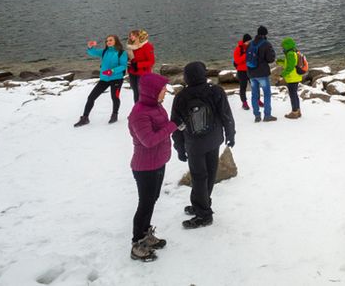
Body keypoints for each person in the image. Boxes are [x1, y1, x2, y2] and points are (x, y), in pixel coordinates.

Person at [171, 61, 236, 229]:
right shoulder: (215, 91)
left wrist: (179, 148)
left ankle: (203, 214)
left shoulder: (181, 97)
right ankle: (203, 203)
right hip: (213, 140)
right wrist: (230, 134)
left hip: (194, 144)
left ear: (186, 77)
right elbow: (226, 115)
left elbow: (176, 125)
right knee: (209, 173)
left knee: (199, 176)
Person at [128, 72, 178, 262]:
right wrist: (173, 126)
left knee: (152, 199)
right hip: (145, 166)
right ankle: (136, 244)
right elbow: (149, 140)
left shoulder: (156, 106)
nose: (165, 92)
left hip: (158, 162)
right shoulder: (139, 113)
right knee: (145, 203)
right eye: (162, 90)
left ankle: (145, 234)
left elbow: (161, 129)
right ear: (152, 92)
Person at [75, 35, 128, 127]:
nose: (108, 42)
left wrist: (112, 71)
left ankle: (114, 115)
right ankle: (85, 118)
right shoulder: (104, 52)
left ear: (116, 41)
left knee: (114, 97)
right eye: (107, 41)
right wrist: (90, 47)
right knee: (91, 97)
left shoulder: (121, 53)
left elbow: (123, 66)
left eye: (110, 40)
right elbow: (93, 52)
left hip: (116, 79)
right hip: (104, 79)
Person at [246, 26, 276, 122]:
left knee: (255, 95)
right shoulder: (266, 44)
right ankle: (267, 116)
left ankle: (257, 116)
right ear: (265, 34)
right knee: (266, 94)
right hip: (262, 73)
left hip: (251, 73)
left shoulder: (250, 44)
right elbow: (270, 59)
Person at [126, 29, 155, 104]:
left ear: (139, 36)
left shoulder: (147, 46)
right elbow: (131, 58)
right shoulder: (130, 47)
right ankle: (137, 109)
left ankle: (143, 111)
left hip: (143, 73)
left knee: (142, 93)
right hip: (132, 72)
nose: (131, 37)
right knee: (135, 92)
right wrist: (127, 61)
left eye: (133, 35)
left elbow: (151, 61)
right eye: (130, 35)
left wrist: (138, 65)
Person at [281, 37, 303, 119]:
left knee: (292, 94)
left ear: (287, 45)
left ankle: (294, 112)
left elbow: (290, 67)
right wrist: (282, 62)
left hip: (292, 78)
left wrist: (282, 74)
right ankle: (298, 111)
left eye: (283, 46)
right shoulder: (295, 52)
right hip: (296, 77)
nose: (282, 48)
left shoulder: (290, 54)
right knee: (295, 94)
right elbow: (290, 64)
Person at [232, 34, 252, 111]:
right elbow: (237, 61)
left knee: (254, 86)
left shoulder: (251, 48)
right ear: (244, 41)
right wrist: (245, 55)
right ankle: (244, 103)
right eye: (248, 41)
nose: (249, 42)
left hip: (251, 70)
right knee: (243, 87)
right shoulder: (238, 49)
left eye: (250, 41)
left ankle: (257, 100)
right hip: (241, 71)